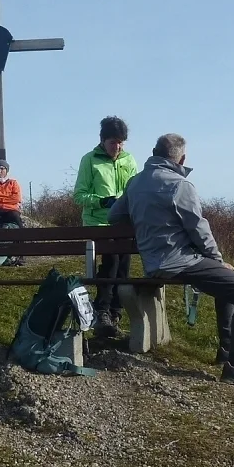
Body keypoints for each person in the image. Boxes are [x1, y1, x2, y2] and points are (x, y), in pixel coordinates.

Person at [108, 133, 234, 387]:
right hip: (181, 262)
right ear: (181, 159)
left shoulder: (135, 183)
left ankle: (229, 352)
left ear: (154, 152)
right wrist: (217, 260)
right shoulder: (180, 185)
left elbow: (114, 216)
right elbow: (199, 229)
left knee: (228, 284)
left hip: (153, 264)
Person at [74, 116, 139, 337]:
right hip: (98, 222)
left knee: (124, 263)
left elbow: (135, 190)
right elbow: (79, 195)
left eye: (121, 142)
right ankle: (102, 310)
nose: (117, 147)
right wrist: (102, 201)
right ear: (103, 140)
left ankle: (115, 312)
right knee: (112, 259)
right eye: (113, 142)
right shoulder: (90, 160)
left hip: (123, 221)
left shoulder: (129, 160)